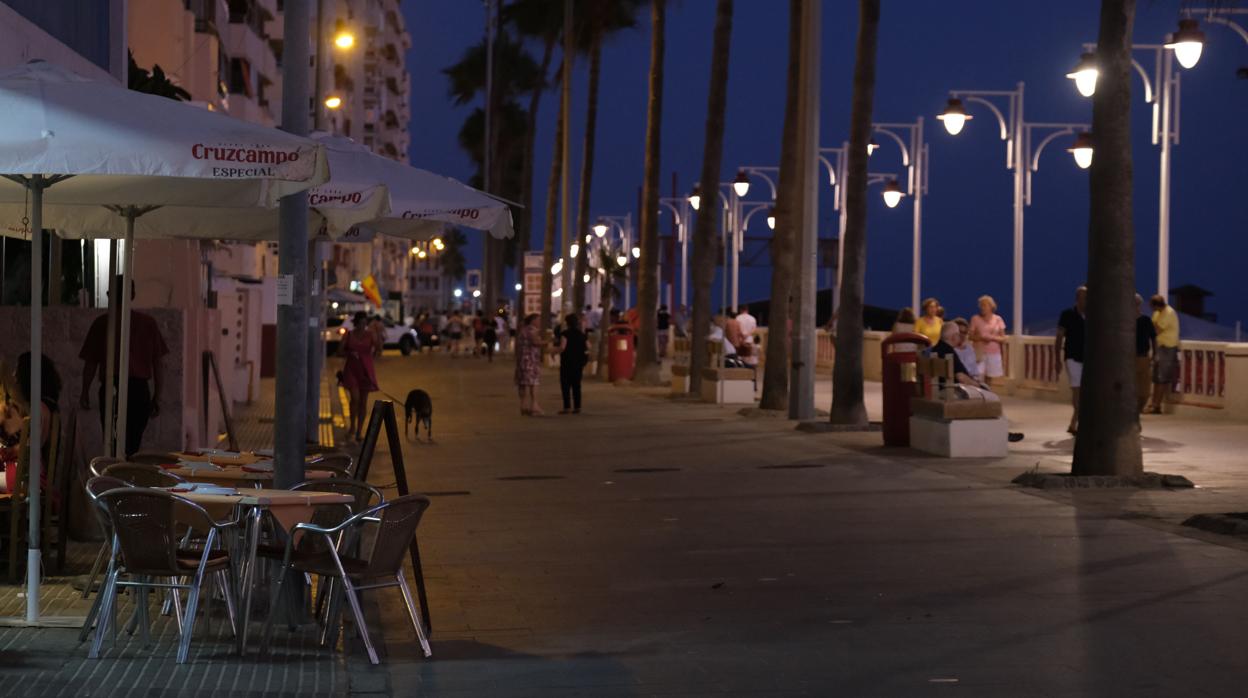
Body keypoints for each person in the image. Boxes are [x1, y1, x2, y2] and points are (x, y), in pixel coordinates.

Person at [79, 285, 169, 457]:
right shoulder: (148, 324)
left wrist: (85, 391)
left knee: (111, 443)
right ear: (133, 295)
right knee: (132, 444)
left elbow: (90, 363)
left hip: (111, 387)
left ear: (109, 295)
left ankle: (115, 477)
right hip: (138, 390)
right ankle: (127, 476)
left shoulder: (102, 323)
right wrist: (157, 396)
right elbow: (158, 364)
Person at [1, 353, 61, 494]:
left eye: (18, 371)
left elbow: (30, 448)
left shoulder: (39, 408)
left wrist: (8, 451)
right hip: (30, 474)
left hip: (30, 478)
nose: (14, 376)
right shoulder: (48, 405)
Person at [338, 311, 380, 441]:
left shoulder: (370, 334)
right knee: (355, 398)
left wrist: (369, 358)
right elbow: (339, 350)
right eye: (361, 323)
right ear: (356, 322)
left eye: (364, 323)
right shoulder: (349, 334)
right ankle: (352, 427)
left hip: (366, 370)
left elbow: (378, 349)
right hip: (351, 369)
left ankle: (359, 431)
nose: (363, 325)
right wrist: (350, 353)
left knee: (363, 401)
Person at [1055, 285, 1087, 435]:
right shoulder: (1067, 314)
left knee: (1084, 391)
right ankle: (1077, 422)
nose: (1085, 300)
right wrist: (1057, 359)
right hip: (1072, 357)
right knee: (1077, 390)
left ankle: (1074, 423)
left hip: (1088, 358)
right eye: (1083, 297)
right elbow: (1060, 336)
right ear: (1077, 298)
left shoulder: (1093, 314)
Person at [1148, 293, 1181, 414]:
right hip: (1159, 347)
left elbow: (1156, 329)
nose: (1152, 309)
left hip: (1168, 348)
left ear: (1157, 305)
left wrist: (1152, 327)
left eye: (1153, 307)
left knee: (1161, 378)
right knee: (1156, 378)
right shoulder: (1157, 313)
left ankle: (1156, 406)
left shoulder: (1168, 313)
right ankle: (1153, 404)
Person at [969, 295, 1007, 385]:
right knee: (978, 374)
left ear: (991, 306)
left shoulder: (998, 319)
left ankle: (988, 393)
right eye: (981, 305)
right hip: (979, 352)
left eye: (984, 305)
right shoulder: (975, 319)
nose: (982, 308)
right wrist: (980, 338)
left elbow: (1003, 338)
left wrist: (992, 338)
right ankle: (978, 393)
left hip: (993, 352)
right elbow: (970, 336)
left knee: (990, 376)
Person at [514, 313, 545, 416]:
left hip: (521, 360)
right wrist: (548, 342)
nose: (540, 322)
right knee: (533, 382)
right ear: (533, 321)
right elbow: (536, 342)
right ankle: (534, 405)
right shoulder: (532, 330)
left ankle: (523, 406)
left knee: (522, 383)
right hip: (530, 360)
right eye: (538, 320)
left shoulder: (522, 330)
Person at [558, 314, 588, 414]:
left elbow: (562, 347)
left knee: (565, 384)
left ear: (567, 323)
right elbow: (588, 346)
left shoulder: (565, 334)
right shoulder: (582, 335)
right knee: (577, 384)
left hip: (567, 361)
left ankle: (567, 407)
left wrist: (553, 351)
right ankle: (577, 407)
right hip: (578, 362)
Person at [1132, 294, 1157, 415]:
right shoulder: (1125, 321)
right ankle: (1133, 417)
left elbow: (1153, 337)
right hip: (1129, 359)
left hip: (1143, 357)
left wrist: (1155, 354)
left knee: (1144, 392)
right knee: (1132, 390)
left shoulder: (1146, 320)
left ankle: (1137, 411)